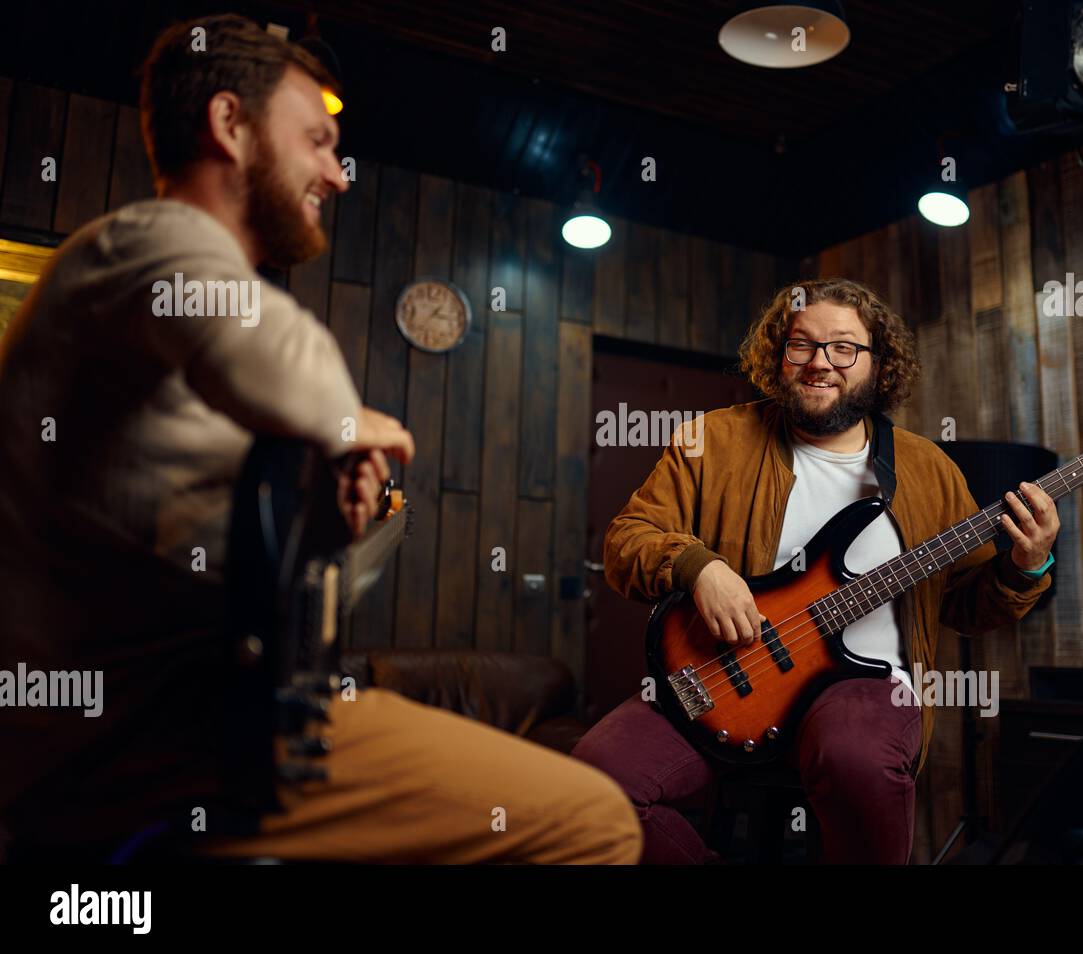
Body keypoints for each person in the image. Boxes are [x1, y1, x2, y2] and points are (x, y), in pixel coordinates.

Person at [0, 14, 639, 864]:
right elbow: (281, 359)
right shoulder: (148, 242)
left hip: (157, 734)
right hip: (154, 747)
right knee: (594, 824)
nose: (338, 175)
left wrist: (336, 507)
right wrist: (348, 426)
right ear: (229, 125)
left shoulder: (157, 342)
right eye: (317, 142)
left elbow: (272, 569)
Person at [573, 277, 1059, 863]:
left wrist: (1027, 567)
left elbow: (965, 604)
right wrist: (699, 568)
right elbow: (628, 539)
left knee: (855, 758)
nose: (819, 363)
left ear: (879, 366)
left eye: (844, 348)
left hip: (865, 686)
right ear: (779, 354)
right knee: (593, 786)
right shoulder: (713, 440)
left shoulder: (928, 469)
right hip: (730, 674)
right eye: (801, 345)